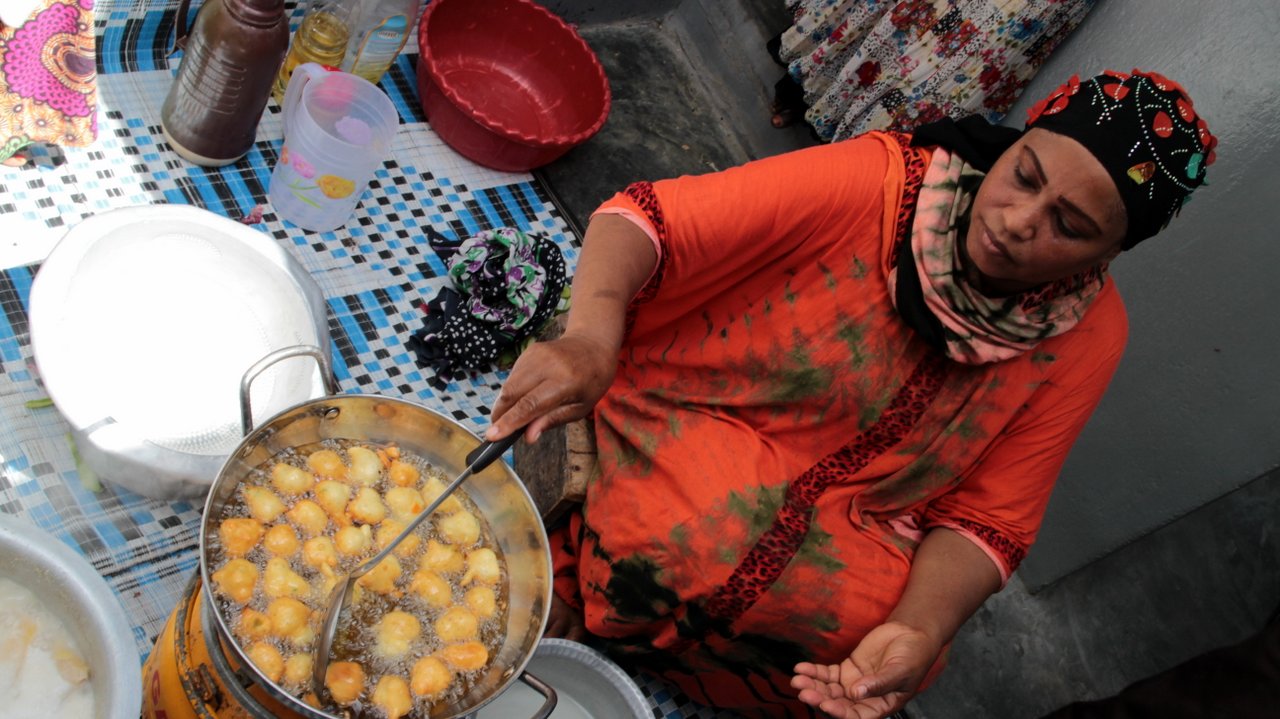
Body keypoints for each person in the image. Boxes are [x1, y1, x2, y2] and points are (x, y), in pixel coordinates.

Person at [486, 69, 1217, 718]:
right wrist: (589, 337)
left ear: (1107, 253)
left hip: (863, 511)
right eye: (1024, 175)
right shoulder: (884, 181)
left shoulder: (1090, 333)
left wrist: (921, 627)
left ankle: (679, 659)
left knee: (894, 643)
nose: (1020, 221)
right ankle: (582, 594)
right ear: (1014, 144)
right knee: (694, 537)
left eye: (1069, 226)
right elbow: (646, 219)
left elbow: (988, 520)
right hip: (694, 408)